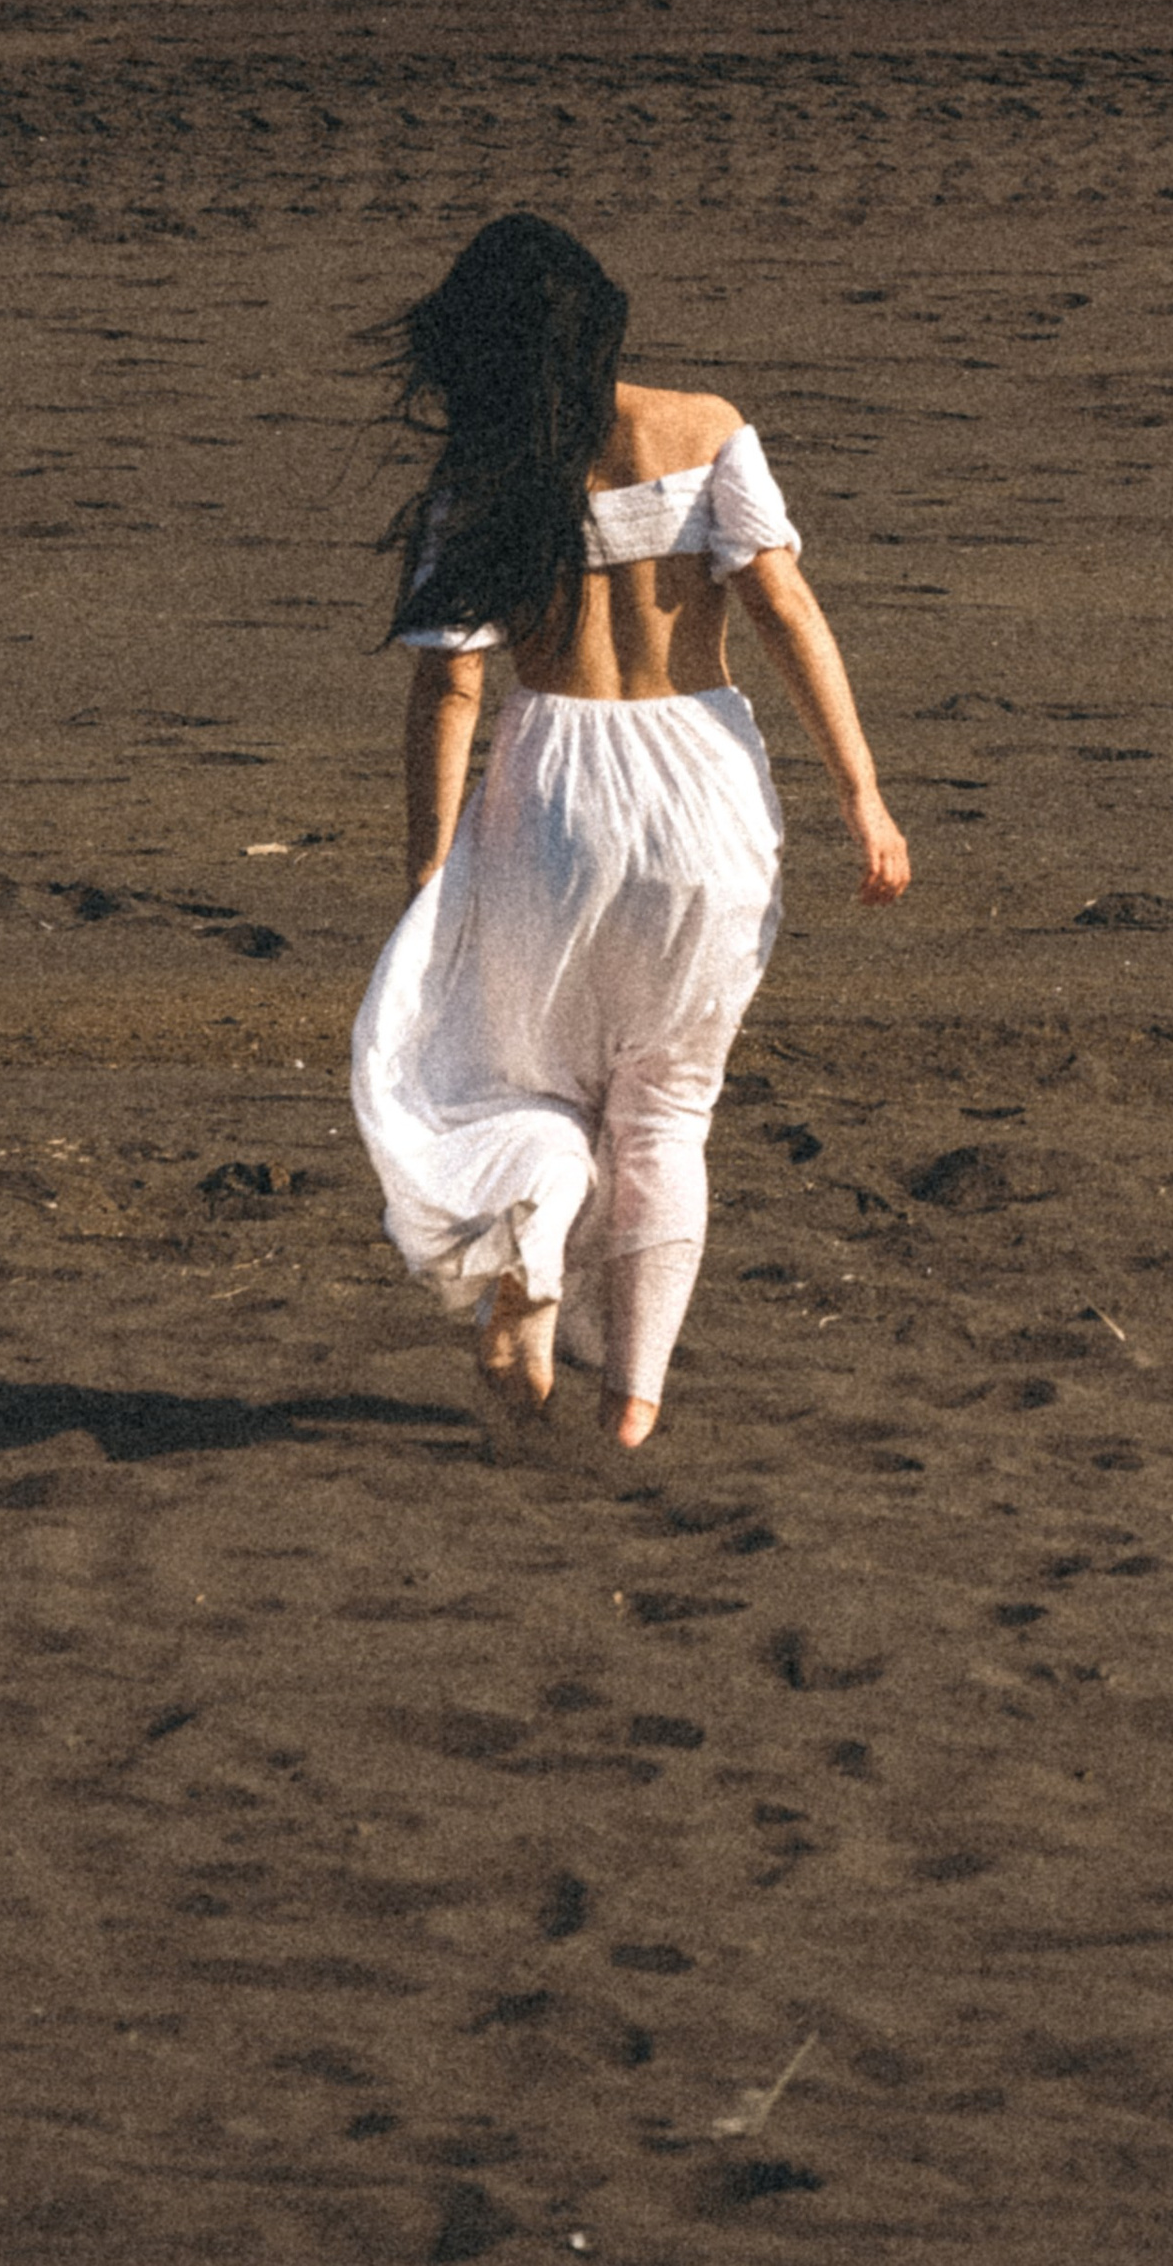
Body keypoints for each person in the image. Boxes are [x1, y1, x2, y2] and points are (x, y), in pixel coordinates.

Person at [350, 214, 909, 1448]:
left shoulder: (483, 480)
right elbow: (785, 611)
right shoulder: (703, 429)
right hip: (699, 792)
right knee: (666, 1105)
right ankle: (632, 1411)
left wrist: (429, 869)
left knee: (521, 1076)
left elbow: (450, 689)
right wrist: (861, 795)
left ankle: (531, 1261)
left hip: (550, 798)